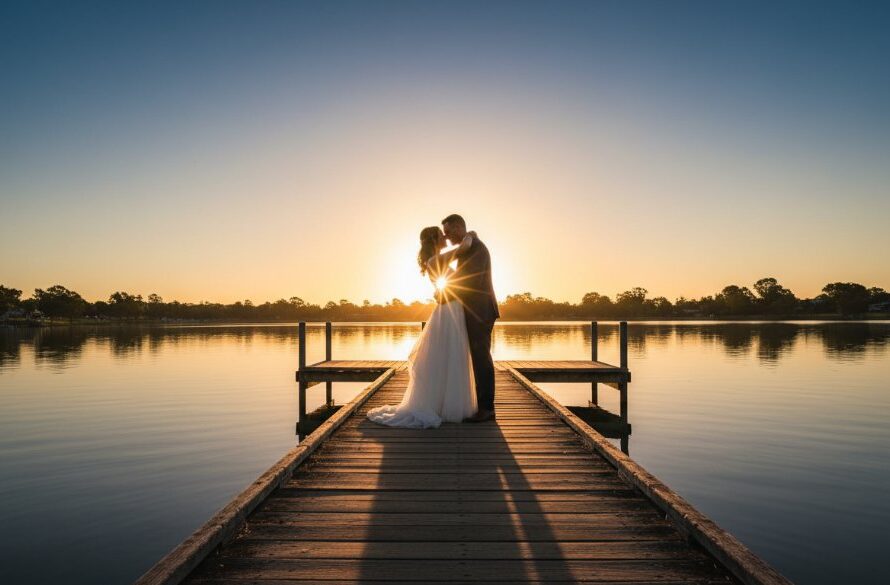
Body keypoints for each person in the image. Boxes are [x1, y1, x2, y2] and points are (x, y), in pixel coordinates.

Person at [366, 226, 478, 428]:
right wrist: (470, 234)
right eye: (441, 234)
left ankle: (445, 404)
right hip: (449, 311)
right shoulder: (436, 260)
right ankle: (446, 406)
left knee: (448, 357)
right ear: (434, 239)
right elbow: (465, 247)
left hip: (451, 309)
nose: (445, 236)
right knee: (450, 355)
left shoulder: (434, 259)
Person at [441, 213, 499, 422]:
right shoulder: (469, 245)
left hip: (481, 310)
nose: (448, 238)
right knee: (478, 357)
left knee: (481, 358)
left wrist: (444, 291)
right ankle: (482, 405)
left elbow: (469, 279)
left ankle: (487, 409)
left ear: (458, 227)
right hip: (475, 309)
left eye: (449, 233)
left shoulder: (475, 247)